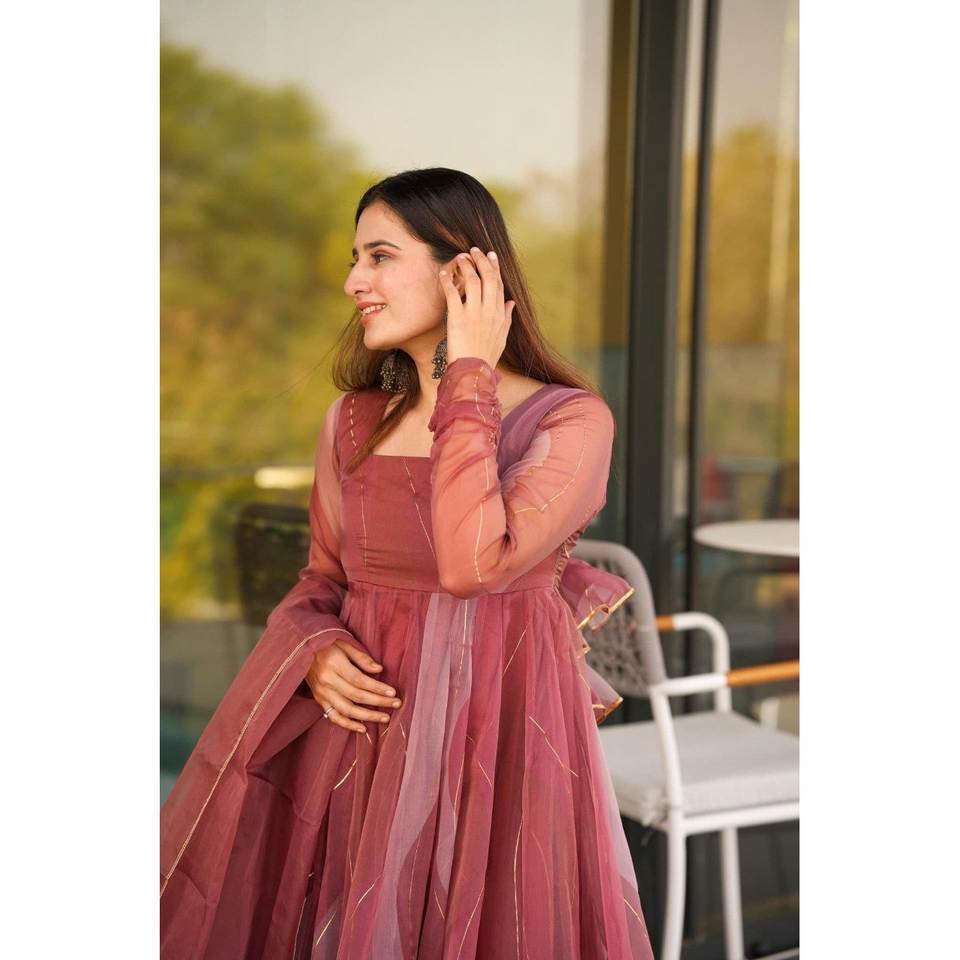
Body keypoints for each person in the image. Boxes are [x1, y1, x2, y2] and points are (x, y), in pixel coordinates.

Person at [160, 168, 655, 959]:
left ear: (464, 272)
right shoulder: (352, 422)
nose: (354, 282)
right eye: (356, 259)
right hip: (359, 750)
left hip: (499, 745)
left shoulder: (570, 422)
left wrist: (467, 375)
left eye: (380, 257)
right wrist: (315, 649)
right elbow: (322, 580)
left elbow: (471, 563)